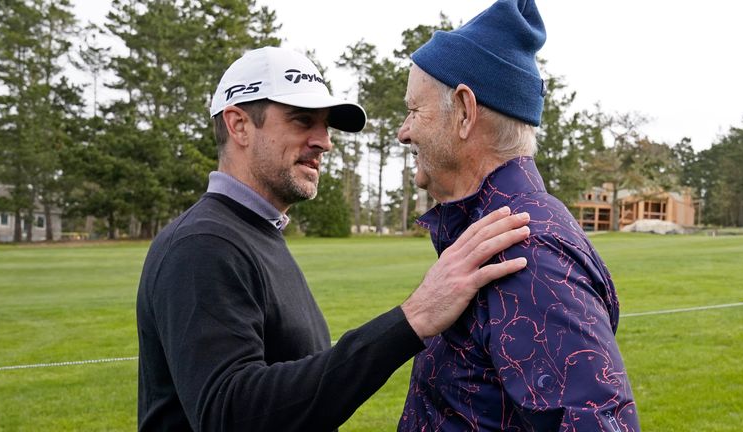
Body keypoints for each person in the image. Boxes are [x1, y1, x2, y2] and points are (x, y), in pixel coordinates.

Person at [136, 46, 532, 431]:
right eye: (302, 121)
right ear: (239, 124)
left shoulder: (253, 232)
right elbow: (230, 413)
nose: (324, 141)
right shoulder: (202, 244)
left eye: (324, 125)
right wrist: (413, 318)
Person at [395, 1, 640, 431]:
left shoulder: (526, 250)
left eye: (414, 110)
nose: (403, 131)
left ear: (465, 112)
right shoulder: (490, 232)